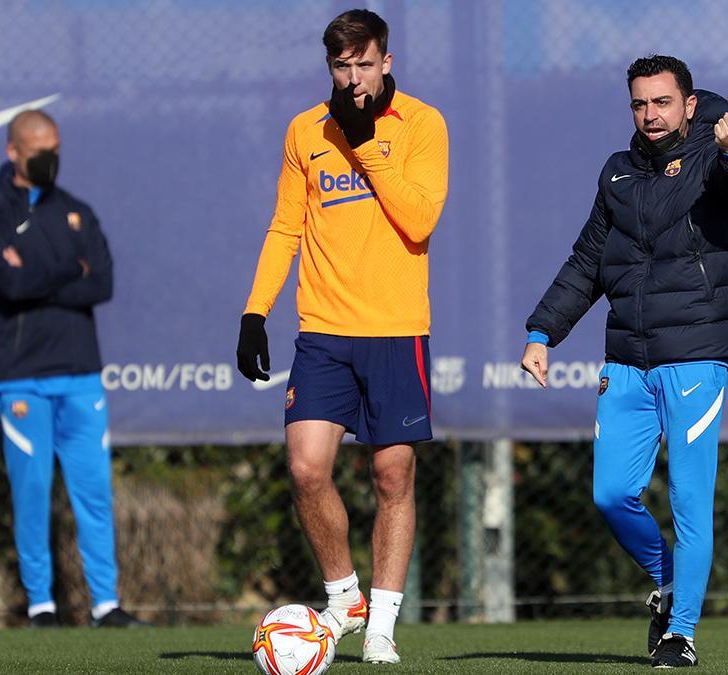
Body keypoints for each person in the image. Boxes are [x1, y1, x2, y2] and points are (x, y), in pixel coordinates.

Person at [521, 55, 728, 668]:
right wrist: (542, 332)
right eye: (640, 104)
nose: (650, 115)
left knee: (688, 499)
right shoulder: (618, 173)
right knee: (610, 494)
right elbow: (586, 262)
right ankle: (669, 581)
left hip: (696, 356)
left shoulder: (717, 151)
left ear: (686, 104)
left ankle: (680, 632)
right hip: (626, 356)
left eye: (662, 103)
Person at [235, 8, 448, 665]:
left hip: (395, 328)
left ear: (387, 62)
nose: (354, 77)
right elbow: (285, 228)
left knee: (393, 472)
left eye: (365, 63)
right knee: (305, 467)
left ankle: (380, 622)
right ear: (330, 67)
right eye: (342, 65)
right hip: (323, 329)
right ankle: (344, 596)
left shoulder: (422, 123)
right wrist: (254, 312)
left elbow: (419, 220)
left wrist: (367, 143)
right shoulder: (306, 130)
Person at [0, 110, 147, 628]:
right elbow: (10, 285)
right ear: (14, 152)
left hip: (80, 376)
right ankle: (42, 605)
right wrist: (71, 267)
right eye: (38, 149)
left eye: (55, 147)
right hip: (20, 377)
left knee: (93, 492)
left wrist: (40, 271)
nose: (49, 158)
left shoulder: (78, 213)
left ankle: (105, 604)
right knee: (30, 492)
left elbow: (103, 283)